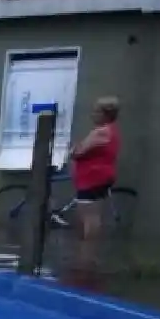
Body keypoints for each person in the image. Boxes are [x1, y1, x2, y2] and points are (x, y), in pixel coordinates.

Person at [69, 96, 121, 242]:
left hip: (93, 178)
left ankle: (87, 253)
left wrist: (74, 149)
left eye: (96, 111)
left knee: (89, 216)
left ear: (105, 114)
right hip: (98, 177)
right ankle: (87, 251)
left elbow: (78, 151)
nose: (93, 114)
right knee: (90, 215)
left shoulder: (101, 132)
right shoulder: (112, 130)